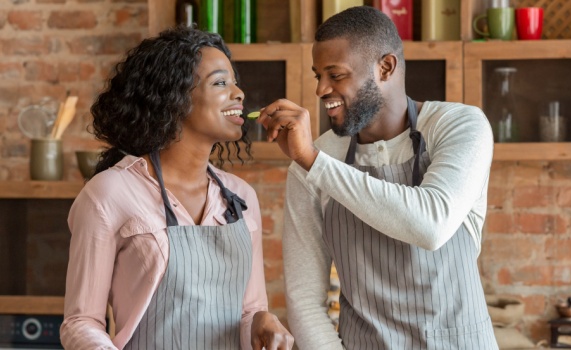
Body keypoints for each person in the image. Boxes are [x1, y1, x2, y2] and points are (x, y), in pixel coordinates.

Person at [256, 6, 497, 349]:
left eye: (335, 75)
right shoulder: (313, 161)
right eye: (317, 76)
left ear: (385, 67)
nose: (321, 89)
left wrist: (313, 161)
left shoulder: (459, 126)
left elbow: (430, 224)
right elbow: (305, 301)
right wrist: (311, 160)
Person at [61, 27, 294, 350]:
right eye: (220, 82)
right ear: (174, 98)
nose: (239, 92)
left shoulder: (241, 199)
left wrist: (260, 321)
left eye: (235, 81)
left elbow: (248, 311)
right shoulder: (109, 193)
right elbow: (80, 322)